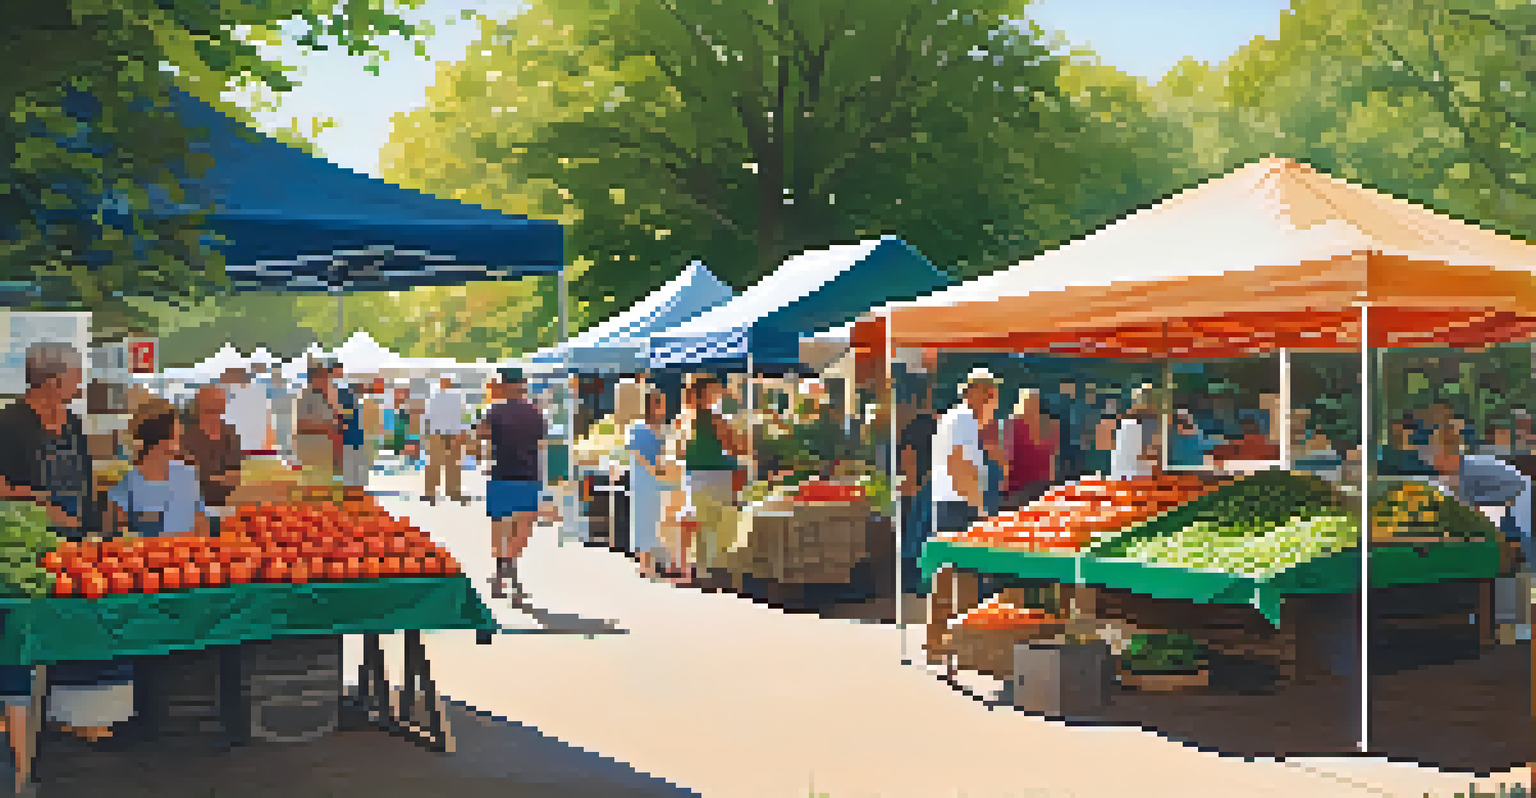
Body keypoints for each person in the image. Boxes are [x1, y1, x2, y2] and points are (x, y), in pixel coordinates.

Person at [0, 343, 95, 788]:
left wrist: (89, 524)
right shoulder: (9, 423)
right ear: (52, 381)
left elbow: (86, 479)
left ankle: (65, 717)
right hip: (26, 551)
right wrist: (36, 502)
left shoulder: (74, 423)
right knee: (26, 638)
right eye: (75, 375)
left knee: (70, 628)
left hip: (75, 544)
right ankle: (20, 735)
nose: (80, 382)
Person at [479, 368, 547, 604]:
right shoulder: (535, 412)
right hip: (528, 474)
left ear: (504, 385)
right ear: (523, 385)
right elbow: (541, 442)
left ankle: (500, 573)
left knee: (500, 525)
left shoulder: (494, 411)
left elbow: (479, 436)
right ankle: (511, 567)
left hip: (501, 472)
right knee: (523, 526)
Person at [675, 374, 744, 583]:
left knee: (699, 523)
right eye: (715, 390)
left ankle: (698, 568)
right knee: (718, 523)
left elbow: (679, 452)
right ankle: (715, 570)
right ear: (705, 393)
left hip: (693, 475)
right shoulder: (715, 418)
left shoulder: (683, 418)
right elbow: (734, 447)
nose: (719, 393)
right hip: (717, 475)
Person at [932, 368, 999, 537]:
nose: (994, 403)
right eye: (990, 396)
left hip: (952, 505)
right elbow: (959, 466)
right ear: (973, 395)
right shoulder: (964, 418)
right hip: (957, 507)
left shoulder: (959, 418)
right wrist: (979, 509)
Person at [628, 387, 682, 580]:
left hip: (658, 480)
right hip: (644, 480)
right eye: (660, 404)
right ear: (652, 406)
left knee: (655, 520)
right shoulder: (638, 429)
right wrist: (654, 469)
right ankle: (644, 564)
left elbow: (664, 453)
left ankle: (651, 562)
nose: (664, 409)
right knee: (644, 520)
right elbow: (637, 454)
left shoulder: (662, 429)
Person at [181, 386, 244, 533]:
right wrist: (216, 478)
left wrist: (204, 476)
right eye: (209, 409)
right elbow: (185, 477)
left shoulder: (230, 433)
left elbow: (234, 478)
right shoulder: (184, 433)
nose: (214, 413)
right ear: (198, 406)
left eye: (218, 407)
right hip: (190, 509)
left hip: (221, 507)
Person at [897, 378, 939, 590]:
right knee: (924, 536)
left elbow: (908, 457)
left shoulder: (916, 426)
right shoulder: (939, 426)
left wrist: (910, 488)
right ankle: (924, 582)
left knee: (916, 537)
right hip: (933, 486)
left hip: (922, 488)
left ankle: (915, 582)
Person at [1002, 388, 1057, 509]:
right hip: (1017, 487)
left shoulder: (1047, 425)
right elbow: (1003, 457)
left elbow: (1051, 454)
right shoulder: (1010, 426)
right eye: (1028, 403)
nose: (1031, 407)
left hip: (1041, 483)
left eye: (1034, 403)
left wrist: (1051, 483)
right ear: (1020, 404)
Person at [295, 360, 340, 481]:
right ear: (315, 378)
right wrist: (327, 426)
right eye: (323, 376)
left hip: (325, 452)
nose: (327, 380)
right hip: (311, 451)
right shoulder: (306, 396)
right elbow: (301, 423)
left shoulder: (325, 396)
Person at [425, 375, 467, 506]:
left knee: (438, 464)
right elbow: (464, 415)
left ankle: (435, 493)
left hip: (441, 432)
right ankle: (447, 492)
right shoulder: (454, 396)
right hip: (448, 432)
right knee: (448, 464)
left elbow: (427, 416)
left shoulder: (435, 396)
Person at [1110, 387, 1160, 480]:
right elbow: (1146, 453)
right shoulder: (1131, 426)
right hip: (1130, 476)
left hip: (1125, 475)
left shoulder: (1129, 423)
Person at [221, 367, 273, 455]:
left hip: (240, 448)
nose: (224, 383)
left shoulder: (235, 397)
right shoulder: (259, 394)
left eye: (226, 379)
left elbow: (227, 421)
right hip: (256, 448)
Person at [336, 375, 369, 498]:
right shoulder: (349, 399)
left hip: (353, 437)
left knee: (353, 465)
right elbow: (346, 420)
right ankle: (353, 489)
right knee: (352, 465)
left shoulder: (352, 399)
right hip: (350, 438)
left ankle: (354, 488)